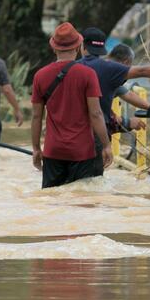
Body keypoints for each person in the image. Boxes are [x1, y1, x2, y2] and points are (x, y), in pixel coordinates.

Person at [78, 27, 150, 174]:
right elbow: (142, 71)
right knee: (91, 186)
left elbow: (127, 94)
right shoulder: (108, 70)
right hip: (95, 137)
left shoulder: (72, 68)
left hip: (68, 135)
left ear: (82, 46)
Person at [30, 22, 112, 188]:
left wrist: (36, 148)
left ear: (54, 48)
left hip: (53, 151)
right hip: (82, 151)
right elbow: (95, 114)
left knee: (52, 204)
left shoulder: (40, 76)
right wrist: (106, 146)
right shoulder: (88, 75)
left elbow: (36, 116)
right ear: (78, 47)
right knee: (80, 204)